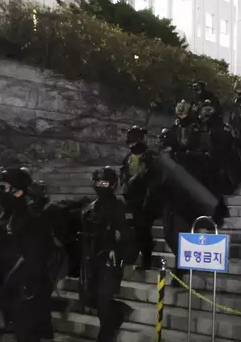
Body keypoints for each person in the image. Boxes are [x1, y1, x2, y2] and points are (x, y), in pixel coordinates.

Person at [0, 166, 56, 342]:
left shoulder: (32, 223)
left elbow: (32, 262)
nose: (1, 192)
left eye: (5, 188)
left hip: (23, 296)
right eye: (0, 187)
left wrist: (7, 289)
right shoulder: (1, 220)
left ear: (18, 192)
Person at [79, 167, 136, 342]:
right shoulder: (89, 209)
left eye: (104, 182)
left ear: (112, 185)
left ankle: (106, 337)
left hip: (110, 261)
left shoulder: (120, 207)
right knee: (92, 299)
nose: (101, 186)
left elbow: (129, 235)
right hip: (92, 260)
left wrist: (127, 261)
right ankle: (119, 313)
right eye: (98, 182)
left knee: (104, 301)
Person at [120, 125, 160, 271]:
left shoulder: (150, 155)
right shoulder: (128, 157)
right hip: (132, 199)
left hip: (146, 198)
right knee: (135, 230)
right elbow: (124, 173)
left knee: (143, 230)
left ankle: (146, 260)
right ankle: (134, 256)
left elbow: (153, 176)